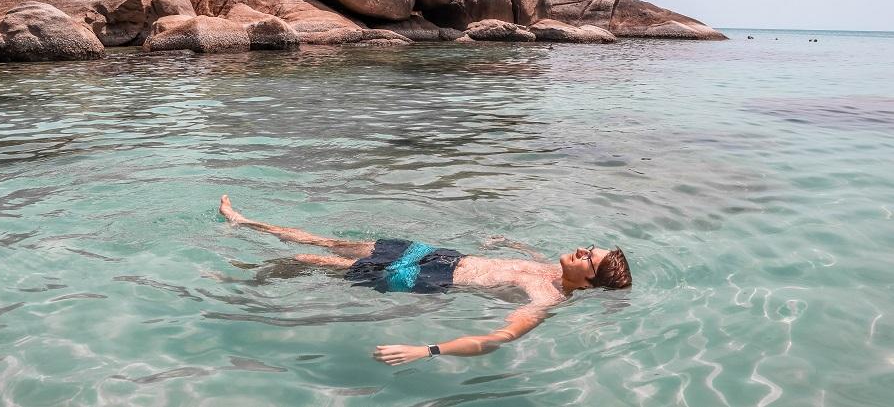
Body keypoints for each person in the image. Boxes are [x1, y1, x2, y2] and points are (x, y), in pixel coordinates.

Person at [218, 195, 632, 365]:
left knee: (309, 259)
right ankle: (244, 222)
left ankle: (241, 282)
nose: (581, 249)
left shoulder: (545, 297)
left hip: (424, 277)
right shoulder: (550, 269)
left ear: (589, 282)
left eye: (588, 258)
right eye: (587, 247)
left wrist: (427, 349)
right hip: (439, 254)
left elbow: (498, 339)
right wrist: (508, 242)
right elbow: (524, 261)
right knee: (333, 243)